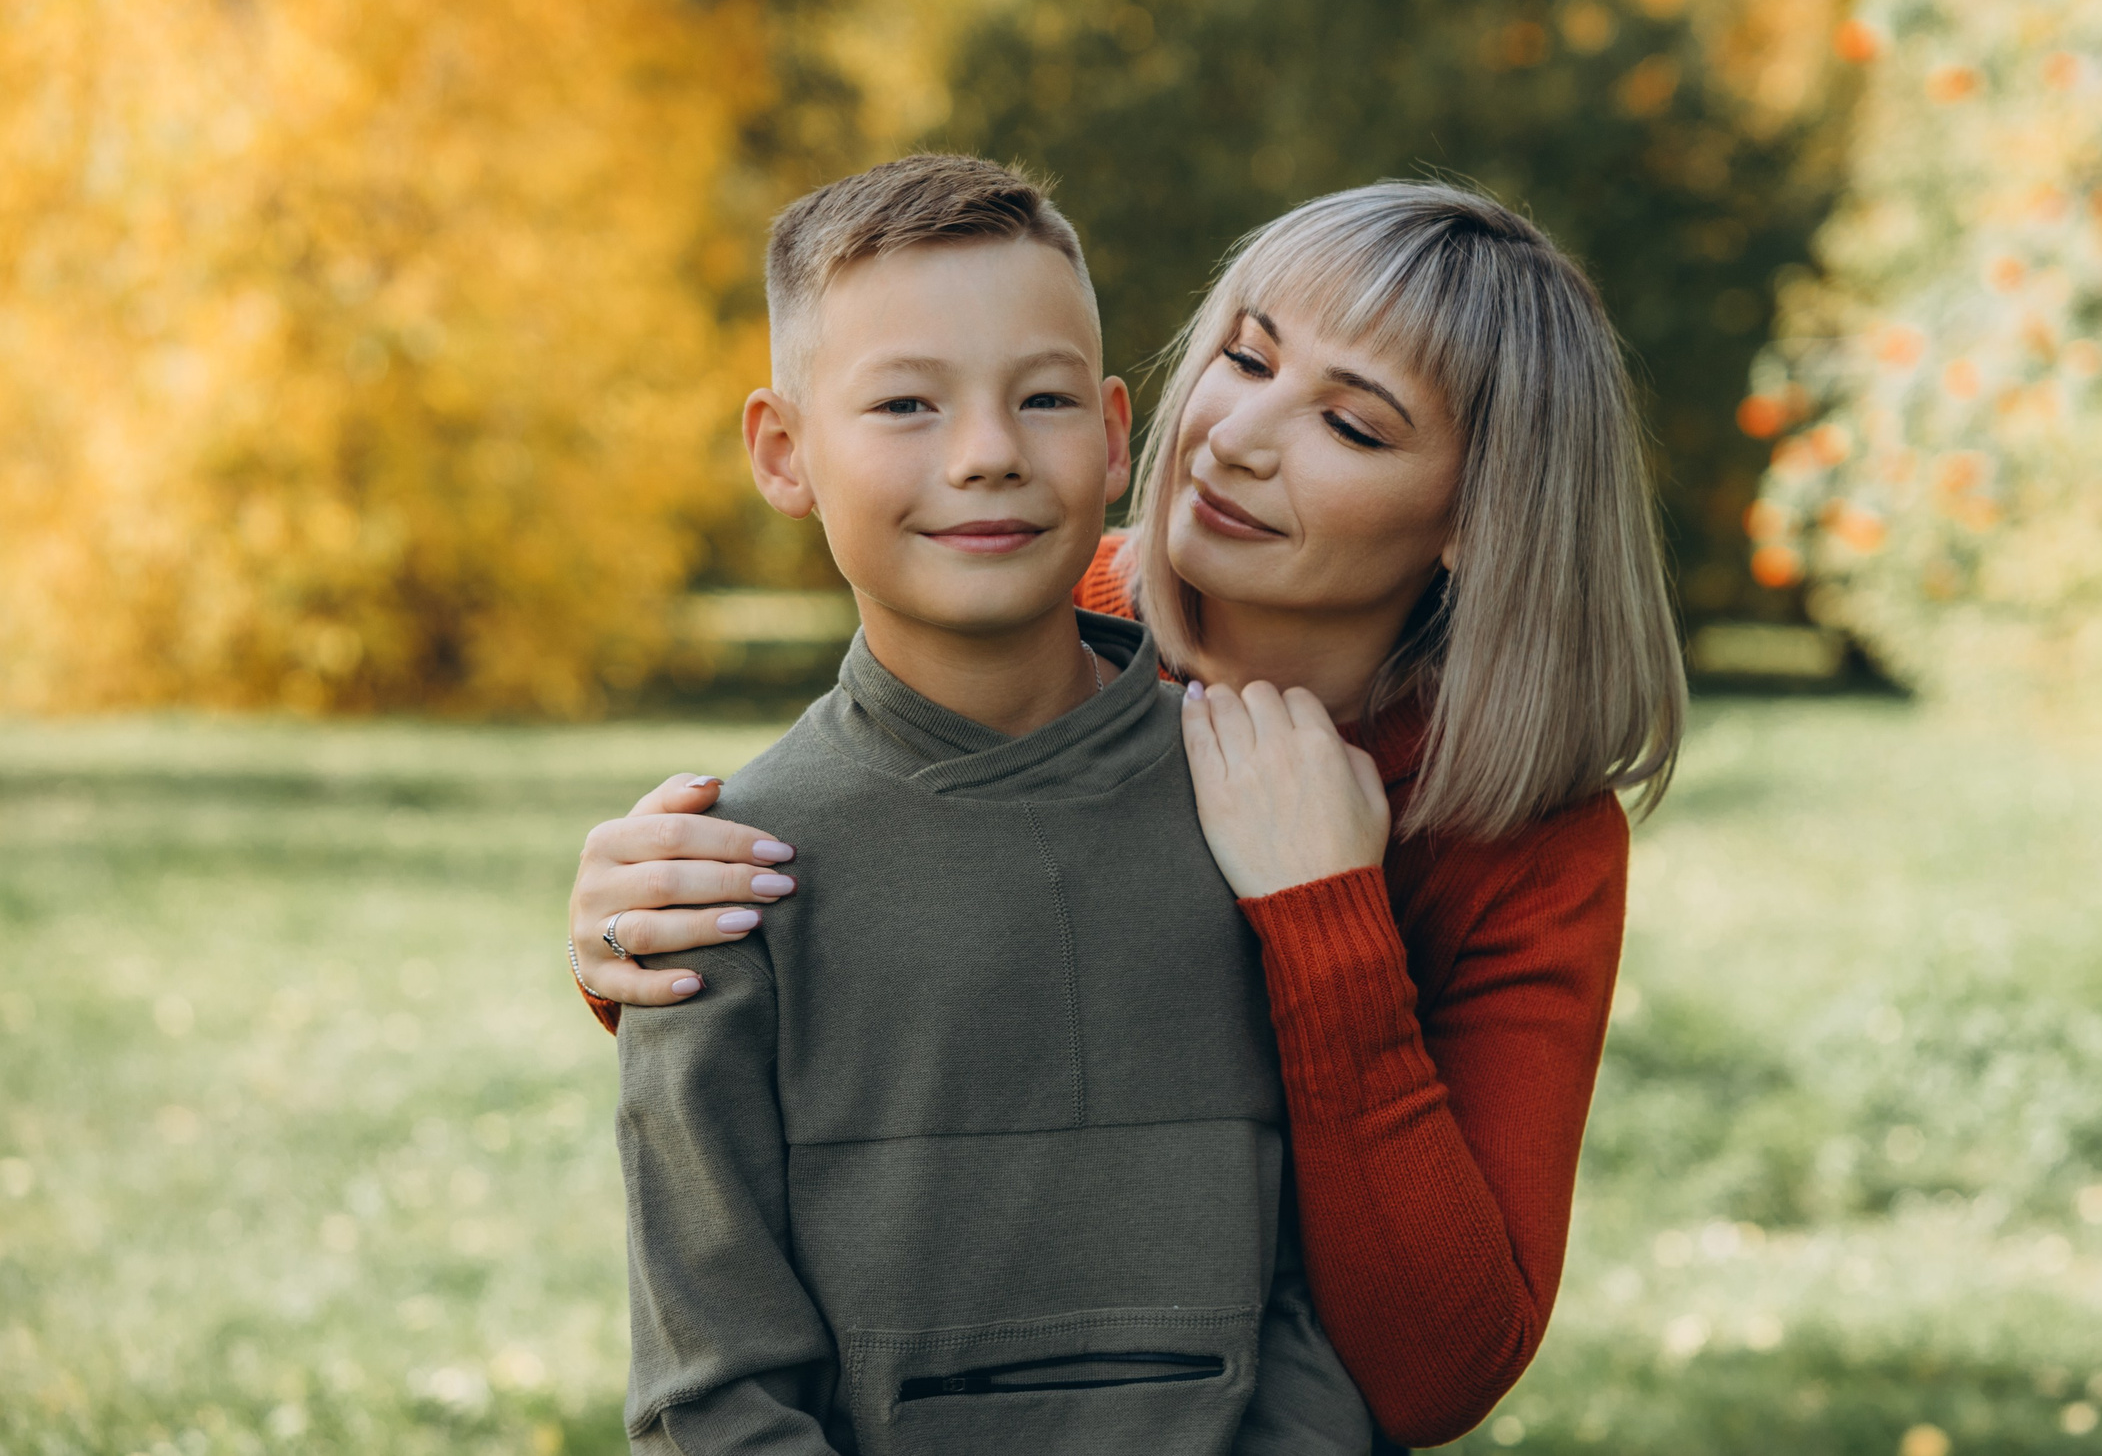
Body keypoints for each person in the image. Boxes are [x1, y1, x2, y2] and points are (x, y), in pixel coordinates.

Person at [572, 180, 1686, 1449]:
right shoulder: (1044, 601)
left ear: (1479, 523)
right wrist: (637, 941)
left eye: (1352, 427)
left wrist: (1325, 925)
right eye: (1245, 357)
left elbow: (1433, 1373)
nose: (1235, 439)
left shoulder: (1521, 834)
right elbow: (886, 896)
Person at [612, 153, 1368, 1455]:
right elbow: (711, 1391)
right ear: (785, 453)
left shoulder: (1273, 802)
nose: (986, 454)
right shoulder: (723, 881)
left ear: (1120, 434)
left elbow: (1339, 1299)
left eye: (1045, 397)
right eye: (906, 402)